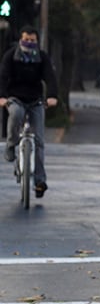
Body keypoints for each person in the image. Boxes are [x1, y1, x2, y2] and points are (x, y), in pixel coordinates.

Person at [0, 26, 59, 198]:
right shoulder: (11, 56)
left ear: (37, 41)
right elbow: (3, 76)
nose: (29, 43)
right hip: (15, 97)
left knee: (39, 141)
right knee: (16, 114)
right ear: (20, 39)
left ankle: (40, 181)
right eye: (26, 39)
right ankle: (11, 145)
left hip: (35, 100)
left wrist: (52, 96)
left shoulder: (42, 58)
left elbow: (50, 76)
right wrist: (2, 96)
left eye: (33, 40)